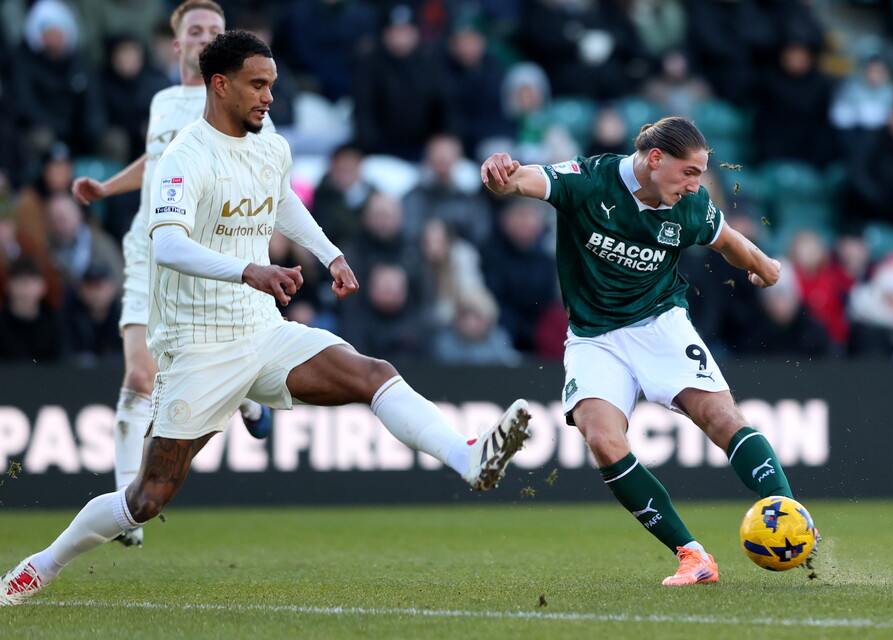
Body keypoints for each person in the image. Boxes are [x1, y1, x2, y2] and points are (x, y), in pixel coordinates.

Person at [0, 30, 531, 607]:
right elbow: (168, 246)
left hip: (261, 330)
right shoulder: (185, 156)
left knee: (371, 372)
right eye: (258, 85)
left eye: (272, 85)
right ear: (220, 85)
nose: (269, 97)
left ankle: (469, 458)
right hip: (199, 346)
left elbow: (281, 201)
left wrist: (330, 253)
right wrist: (248, 270)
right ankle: (39, 567)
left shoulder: (270, 145)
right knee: (146, 498)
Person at [479, 116, 814, 586]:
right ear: (655, 159)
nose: (697, 185)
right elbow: (523, 179)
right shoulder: (589, 180)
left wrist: (765, 267)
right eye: (690, 172)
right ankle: (693, 556)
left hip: (660, 325)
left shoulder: (690, 206)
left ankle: (790, 513)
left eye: (701, 173)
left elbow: (729, 241)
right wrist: (500, 174)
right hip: (594, 336)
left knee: (721, 418)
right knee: (601, 438)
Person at [69, 1, 271, 549]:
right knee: (139, 376)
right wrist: (108, 187)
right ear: (177, 44)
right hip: (149, 249)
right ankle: (124, 508)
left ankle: (246, 393)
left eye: (214, 30)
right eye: (194, 31)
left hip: (209, 252)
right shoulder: (162, 102)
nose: (205, 37)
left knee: (201, 359)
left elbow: (262, 174)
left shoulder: (240, 102)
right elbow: (155, 161)